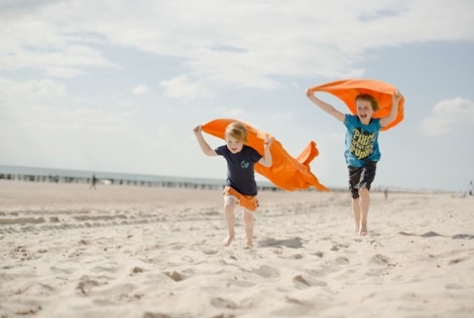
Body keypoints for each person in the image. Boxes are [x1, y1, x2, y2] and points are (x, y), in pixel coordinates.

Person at [306, 88, 402, 236]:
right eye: (359, 107)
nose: (362, 110)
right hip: (353, 164)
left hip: (369, 161)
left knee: (363, 189)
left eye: (366, 108)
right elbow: (332, 110)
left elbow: (392, 117)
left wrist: (395, 101)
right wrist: (313, 98)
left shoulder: (376, 124)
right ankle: (357, 224)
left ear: (372, 110)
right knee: (355, 196)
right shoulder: (351, 121)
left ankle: (364, 224)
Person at [193, 121, 273, 247]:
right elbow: (208, 152)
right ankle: (231, 235)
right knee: (228, 206)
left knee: (248, 219)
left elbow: (267, 163)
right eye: (229, 141)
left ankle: (249, 241)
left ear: (243, 140)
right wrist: (198, 135)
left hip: (248, 191)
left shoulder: (249, 152)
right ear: (225, 140)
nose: (233, 145)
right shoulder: (225, 150)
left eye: (237, 142)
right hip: (232, 186)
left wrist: (267, 149)